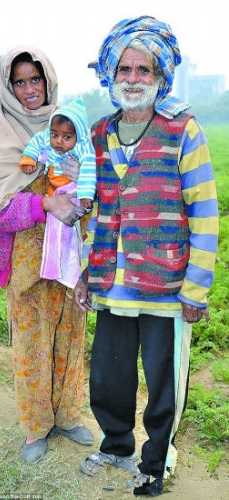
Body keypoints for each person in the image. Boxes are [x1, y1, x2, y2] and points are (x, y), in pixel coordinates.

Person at [74, 16, 219, 497]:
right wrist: (85, 274)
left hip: (167, 286)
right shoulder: (99, 134)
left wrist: (196, 287)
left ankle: (156, 461)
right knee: (109, 374)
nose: (133, 79)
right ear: (111, 76)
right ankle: (116, 445)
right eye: (125, 69)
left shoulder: (183, 129)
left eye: (144, 70)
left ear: (160, 77)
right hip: (111, 282)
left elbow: (204, 212)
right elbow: (92, 214)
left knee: (164, 382)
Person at [0, 46, 94, 464]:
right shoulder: (3, 136)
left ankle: (69, 415)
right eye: (20, 81)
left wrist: (78, 187)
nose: (29, 90)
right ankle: (35, 427)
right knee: (31, 343)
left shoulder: (71, 126)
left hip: (70, 257)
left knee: (71, 335)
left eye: (35, 80)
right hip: (25, 260)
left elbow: (95, 183)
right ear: (9, 87)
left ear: (48, 80)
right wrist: (44, 203)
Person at [20, 97, 96, 287]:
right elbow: (36, 142)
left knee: (68, 237)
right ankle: (54, 267)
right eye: (55, 136)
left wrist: (86, 194)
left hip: (72, 192)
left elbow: (88, 171)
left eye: (66, 137)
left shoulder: (84, 148)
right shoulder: (47, 137)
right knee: (56, 236)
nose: (59, 141)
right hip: (51, 198)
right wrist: (29, 158)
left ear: (78, 135)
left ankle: (70, 272)